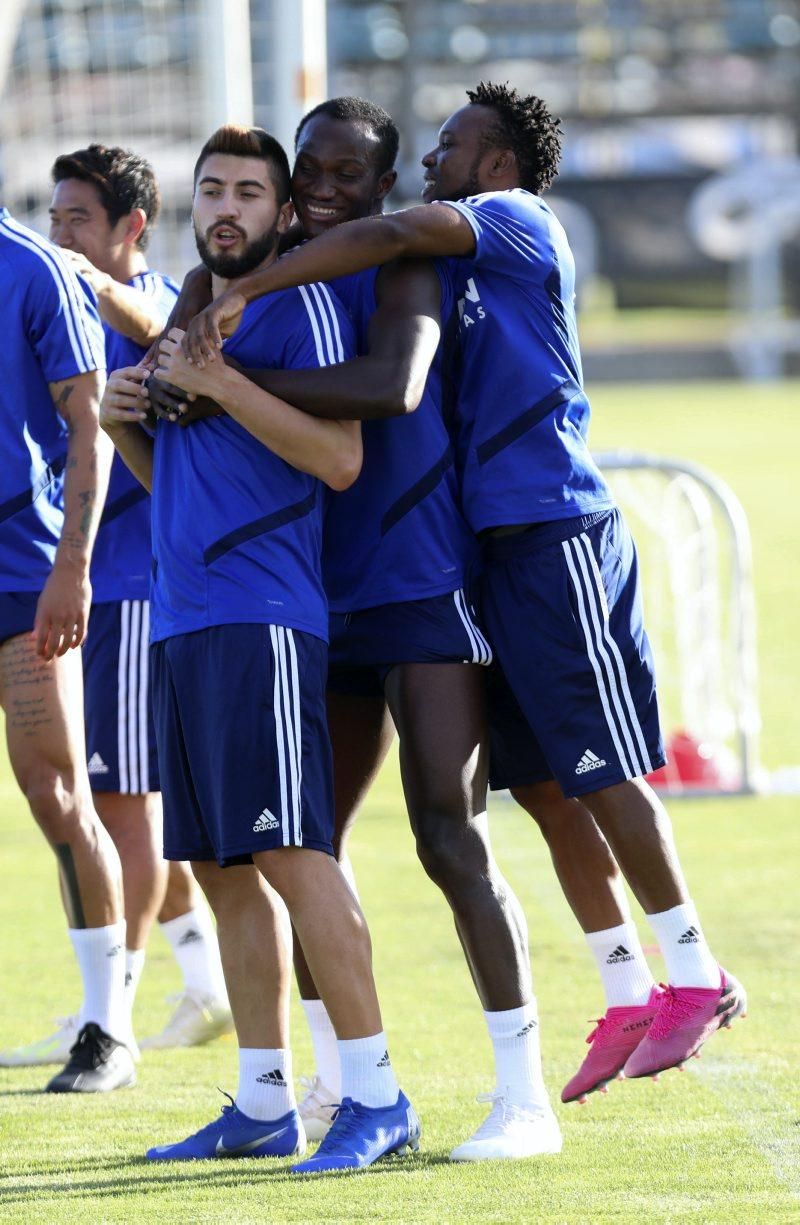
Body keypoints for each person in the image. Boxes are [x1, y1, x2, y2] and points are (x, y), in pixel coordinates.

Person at [182, 84, 747, 1094]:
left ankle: (685, 980)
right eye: (304, 170)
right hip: (382, 584)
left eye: (345, 171)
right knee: (523, 791)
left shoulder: (468, 236)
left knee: (541, 790)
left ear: (478, 166)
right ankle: (615, 993)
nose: (318, 189)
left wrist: (231, 351)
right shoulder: (319, 264)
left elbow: (389, 385)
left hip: (515, 545)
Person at [102, 123, 419, 1174]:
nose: (227, 205)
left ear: (283, 214)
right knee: (220, 866)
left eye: (249, 190)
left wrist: (223, 381)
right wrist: (124, 425)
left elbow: (337, 458)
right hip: (183, 618)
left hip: (265, 619)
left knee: (291, 850)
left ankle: (376, 1095)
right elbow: (180, 488)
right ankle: (260, 1099)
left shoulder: (293, 306)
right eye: (212, 189)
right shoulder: (195, 318)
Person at [47, 143, 232, 1052]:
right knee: (126, 805)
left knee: (122, 802)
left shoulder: (159, 300)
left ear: (132, 229)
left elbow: (154, 323)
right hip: (80, 581)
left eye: (79, 219)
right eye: (52, 219)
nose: (60, 237)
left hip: (127, 585)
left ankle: (103, 1019)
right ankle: (204, 983)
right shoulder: (58, 304)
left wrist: (75, 272)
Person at [0, 205, 135, 1092]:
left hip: (21, 569)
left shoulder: (34, 269)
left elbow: (92, 428)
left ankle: (107, 1028)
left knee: (56, 792)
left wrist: (72, 570)